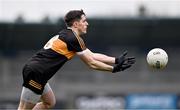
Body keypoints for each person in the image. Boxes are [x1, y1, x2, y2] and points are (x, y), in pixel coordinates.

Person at [18, 9, 135, 110]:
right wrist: (113, 69)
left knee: (49, 103)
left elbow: (92, 55)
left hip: (35, 70)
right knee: (23, 109)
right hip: (38, 73)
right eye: (84, 21)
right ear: (75, 24)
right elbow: (92, 63)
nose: (87, 24)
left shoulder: (68, 35)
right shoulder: (73, 38)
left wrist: (116, 60)